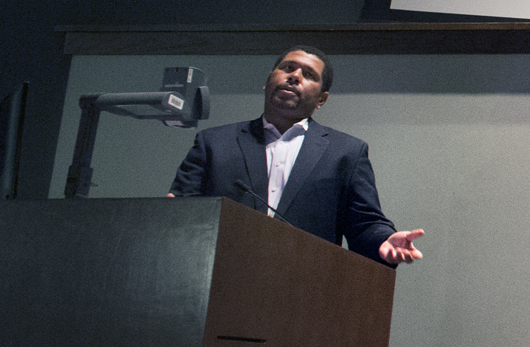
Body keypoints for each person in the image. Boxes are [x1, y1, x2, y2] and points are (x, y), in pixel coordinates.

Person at [170, 47, 424, 266]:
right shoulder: (214, 142)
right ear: (268, 80)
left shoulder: (346, 152)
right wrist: (170, 214)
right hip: (220, 278)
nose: (294, 76)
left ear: (322, 99)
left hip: (303, 290)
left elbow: (365, 224)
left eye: (309, 75)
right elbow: (182, 212)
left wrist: (384, 240)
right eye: (287, 68)